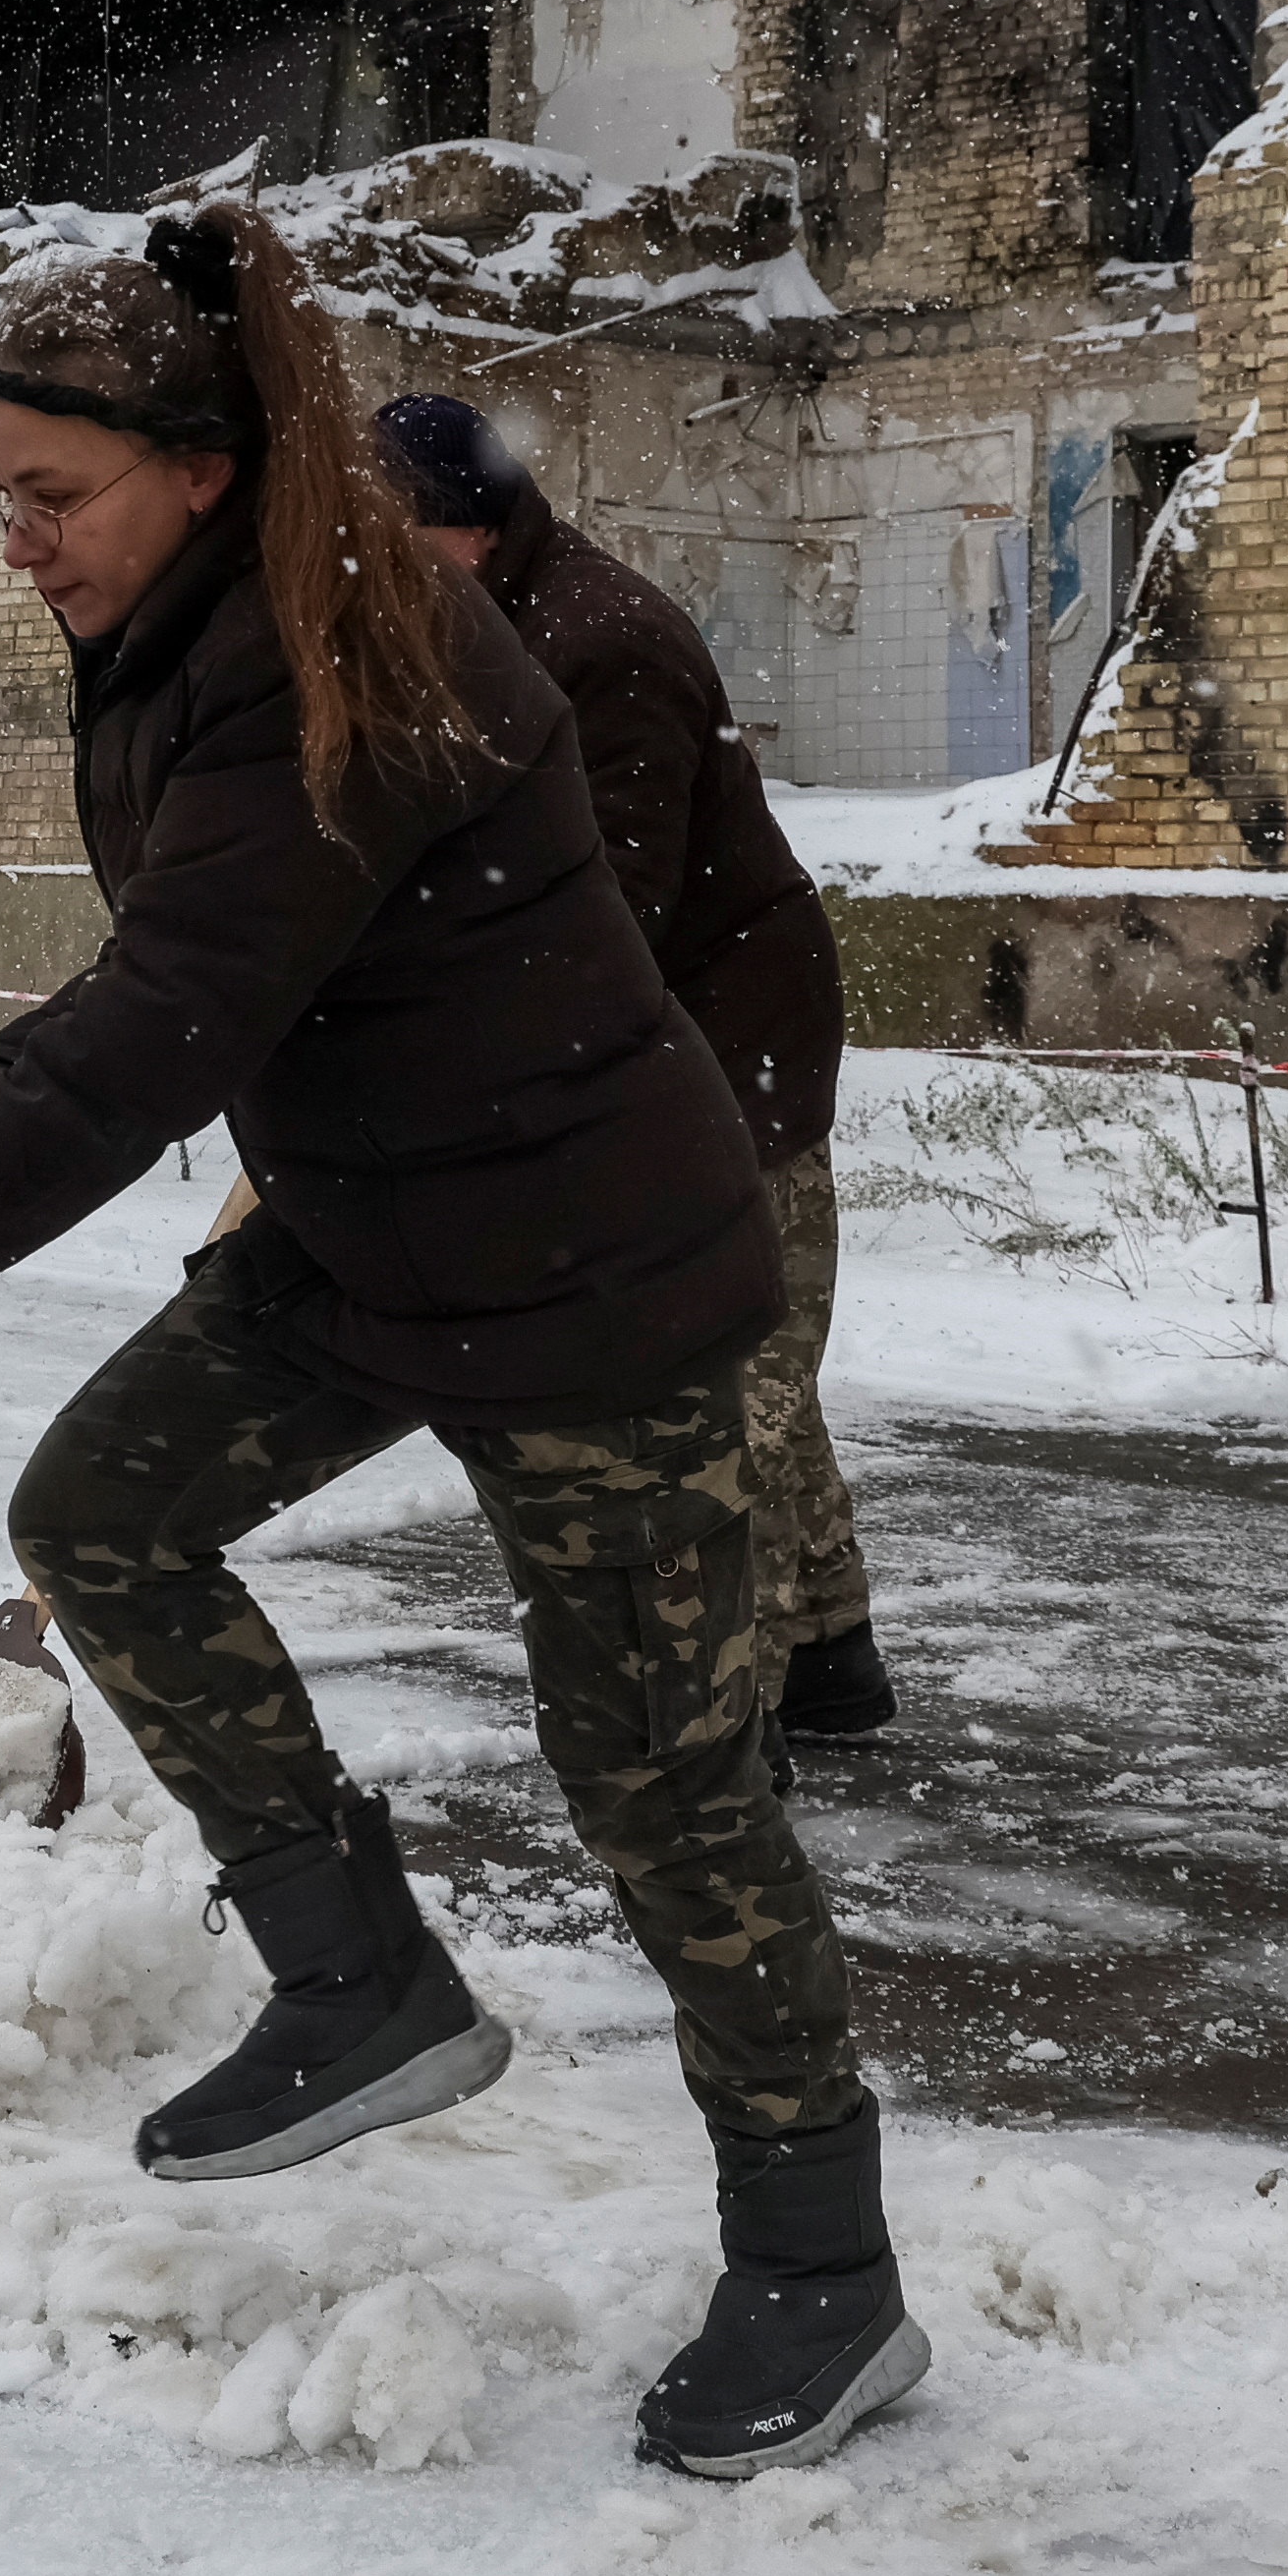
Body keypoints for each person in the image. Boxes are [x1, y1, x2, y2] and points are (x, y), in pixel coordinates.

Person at [0, 202, 923, 2483]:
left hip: (591, 1273)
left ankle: (821, 2270)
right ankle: (353, 1965)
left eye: (47, 495)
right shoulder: (201, 617)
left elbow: (171, 1016)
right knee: (102, 1511)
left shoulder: (330, 652)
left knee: (662, 1786)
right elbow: (188, 967)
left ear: (193, 466)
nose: (14, 539)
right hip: (380, 1233)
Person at [375, 394, 889, 1765]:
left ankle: (737, 1721)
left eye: (391, 546)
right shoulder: (494, 621)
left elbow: (598, 910)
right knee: (756, 1364)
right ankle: (832, 1652)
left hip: (724, 1061)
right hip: (659, 1047)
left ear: (467, 530)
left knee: (726, 1398)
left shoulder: (597, 645)